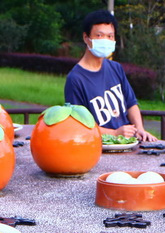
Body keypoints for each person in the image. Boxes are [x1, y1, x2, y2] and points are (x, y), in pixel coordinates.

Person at [65, 10, 157, 142]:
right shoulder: (75, 79)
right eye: (99, 35)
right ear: (86, 38)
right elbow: (78, 126)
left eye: (110, 36)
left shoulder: (116, 68)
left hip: (128, 143)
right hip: (99, 148)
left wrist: (140, 129)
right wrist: (114, 133)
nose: (106, 40)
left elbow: (131, 104)